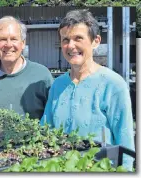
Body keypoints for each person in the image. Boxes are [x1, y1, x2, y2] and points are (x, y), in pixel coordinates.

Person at [40, 9, 135, 170]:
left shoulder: (113, 85)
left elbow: (125, 144)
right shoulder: (58, 85)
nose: (71, 46)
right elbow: (44, 131)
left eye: (78, 38)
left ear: (96, 41)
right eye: (65, 40)